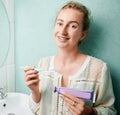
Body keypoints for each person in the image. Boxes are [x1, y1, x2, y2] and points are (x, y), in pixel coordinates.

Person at [24, 1, 117, 115]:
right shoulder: (43, 64)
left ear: (82, 34)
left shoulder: (99, 69)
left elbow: (110, 111)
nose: (62, 31)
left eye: (73, 26)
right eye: (60, 23)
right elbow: (36, 109)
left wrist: (90, 112)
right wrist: (35, 91)